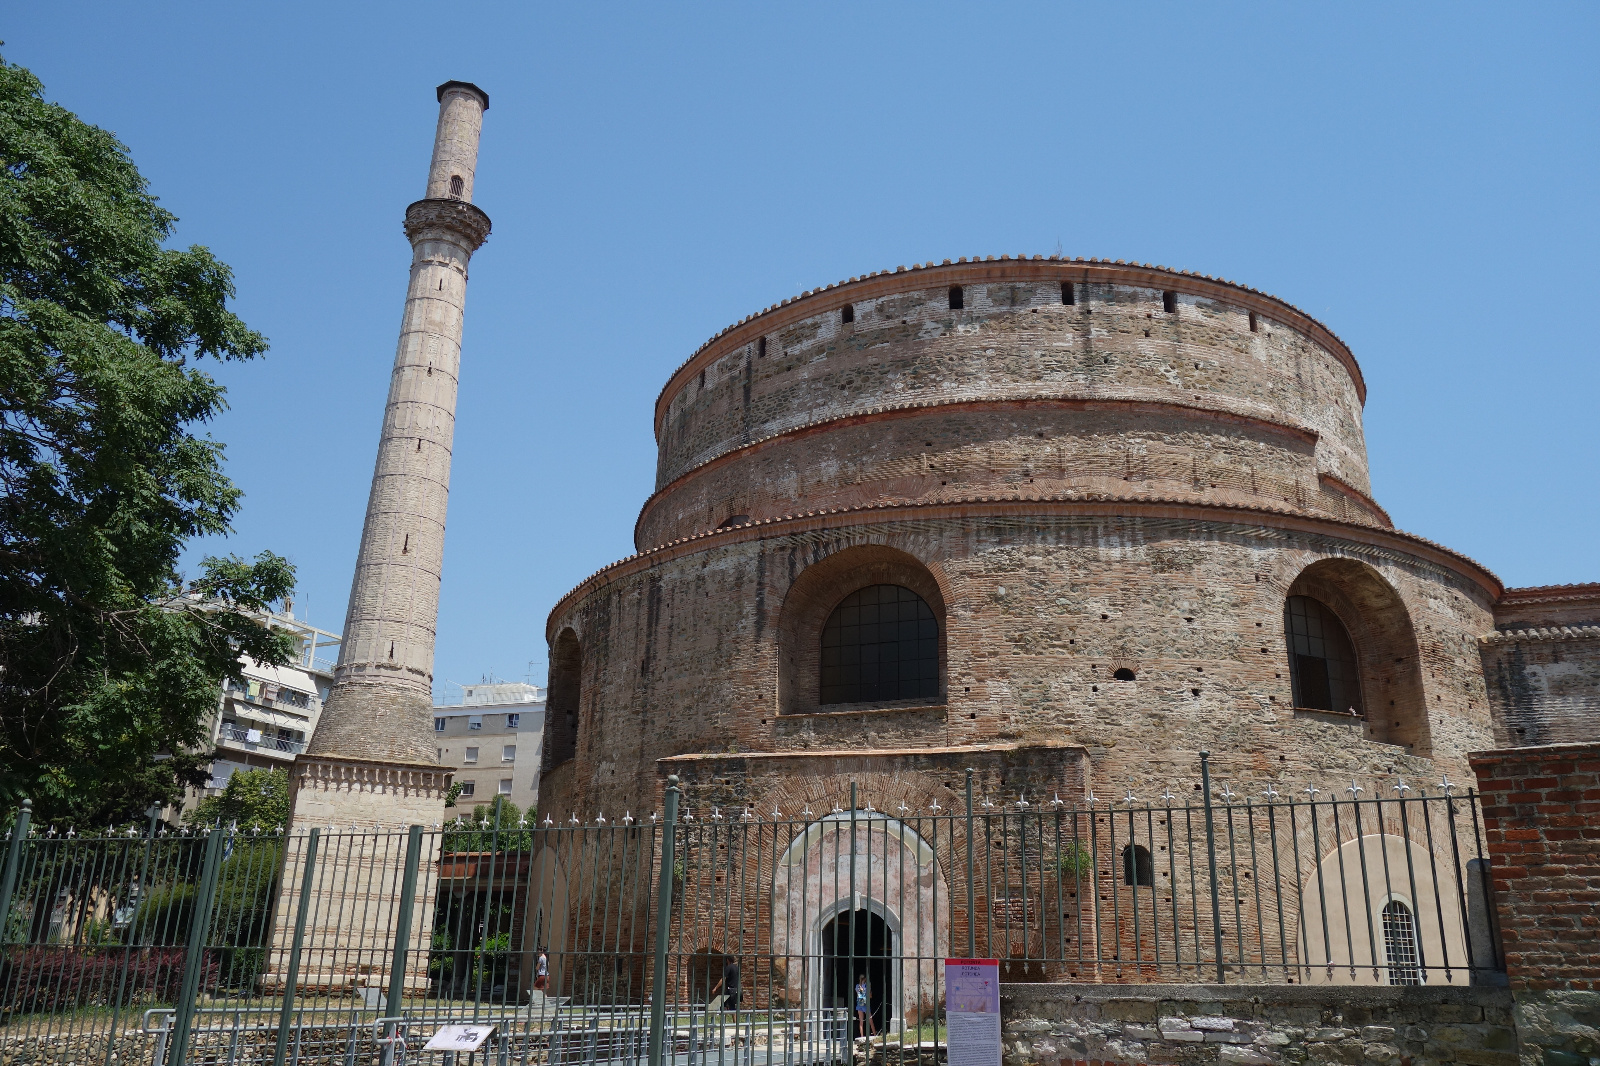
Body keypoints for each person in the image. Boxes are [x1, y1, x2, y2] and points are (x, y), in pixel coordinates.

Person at [854, 974, 876, 1040]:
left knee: (861, 1021)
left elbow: (857, 994)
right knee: (870, 1020)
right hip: (865, 1004)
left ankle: (862, 1036)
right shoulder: (866, 986)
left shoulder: (857, 986)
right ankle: (874, 1034)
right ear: (865, 979)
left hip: (859, 1004)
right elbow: (870, 996)